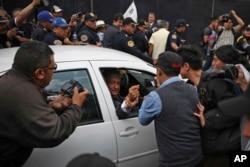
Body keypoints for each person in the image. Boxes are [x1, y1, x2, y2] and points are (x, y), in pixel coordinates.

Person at [0, 41, 89, 166]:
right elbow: (54, 133)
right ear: (39, 73)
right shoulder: (24, 93)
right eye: (53, 67)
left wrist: (51, 107)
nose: (54, 71)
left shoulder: (11, 79)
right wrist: (76, 106)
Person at [177, 44, 248, 167]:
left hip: (223, 150)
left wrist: (207, 121)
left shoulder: (215, 83)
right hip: (208, 147)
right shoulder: (189, 86)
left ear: (186, 66)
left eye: (178, 65)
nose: (213, 64)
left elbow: (232, 112)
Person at [138, 51, 202, 167]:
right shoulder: (192, 89)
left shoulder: (156, 96)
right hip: (196, 157)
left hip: (172, 162)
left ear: (159, 71)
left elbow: (143, 119)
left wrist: (147, 99)